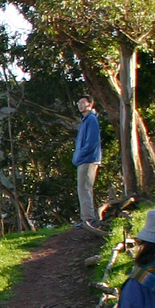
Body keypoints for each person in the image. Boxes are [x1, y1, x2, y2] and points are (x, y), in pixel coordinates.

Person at [72, 96, 102, 227]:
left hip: (88, 159)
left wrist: (80, 155)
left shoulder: (91, 119)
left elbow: (92, 142)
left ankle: (88, 219)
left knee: (84, 188)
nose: (80, 105)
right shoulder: (85, 120)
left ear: (90, 104)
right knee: (83, 188)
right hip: (83, 159)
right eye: (78, 102)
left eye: (83, 102)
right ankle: (87, 218)